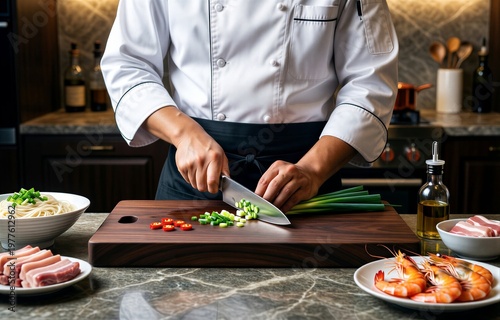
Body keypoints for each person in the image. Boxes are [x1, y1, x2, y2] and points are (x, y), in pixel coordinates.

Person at [101, 0, 398, 213]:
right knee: (182, 293)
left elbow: (370, 83)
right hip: (195, 176)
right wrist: (185, 135)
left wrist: (312, 170)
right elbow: (128, 64)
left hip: (303, 182)